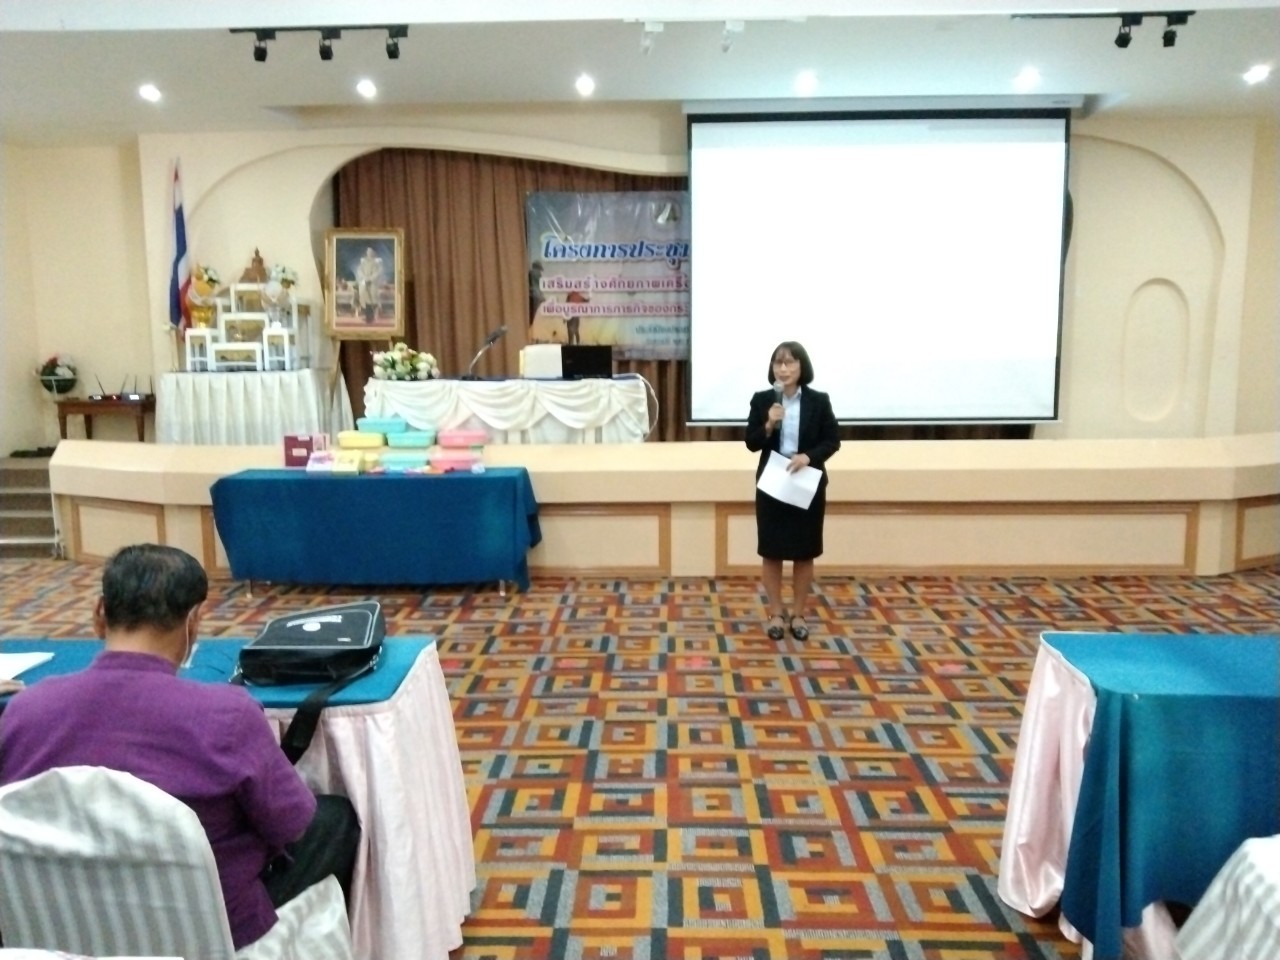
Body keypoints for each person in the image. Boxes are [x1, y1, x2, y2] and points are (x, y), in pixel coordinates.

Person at [0, 544, 360, 951]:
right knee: (335, 819)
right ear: (193, 622)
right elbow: (291, 824)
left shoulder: (24, 710)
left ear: (99, 613)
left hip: (59, 924)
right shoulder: (227, 715)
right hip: (213, 927)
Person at [744, 341, 841, 641]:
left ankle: (798, 614)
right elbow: (751, 442)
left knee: (804, 552)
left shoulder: (818, 401)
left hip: (805, 483)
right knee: (771, 551)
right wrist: (769, 424)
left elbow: (832, 440)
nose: (783, 369)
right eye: (778, 363)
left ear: (802, 367)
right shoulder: (763, 400)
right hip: (773, 485)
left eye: (790, 363)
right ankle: (775, 613)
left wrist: (808, 457)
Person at [355, 246, 383, 323]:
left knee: (372, 300)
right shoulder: (363, 262)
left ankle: (371, 317)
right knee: (365, 299)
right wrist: (364, 277)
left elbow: (378, 272)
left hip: (373, 284)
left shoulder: (376, 263)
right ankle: (367, 316)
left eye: (370, 252)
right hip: (364, 283)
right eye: (368, 252)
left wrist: (370, 278)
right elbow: (359, 270)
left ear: (373, 253)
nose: (369, 253)